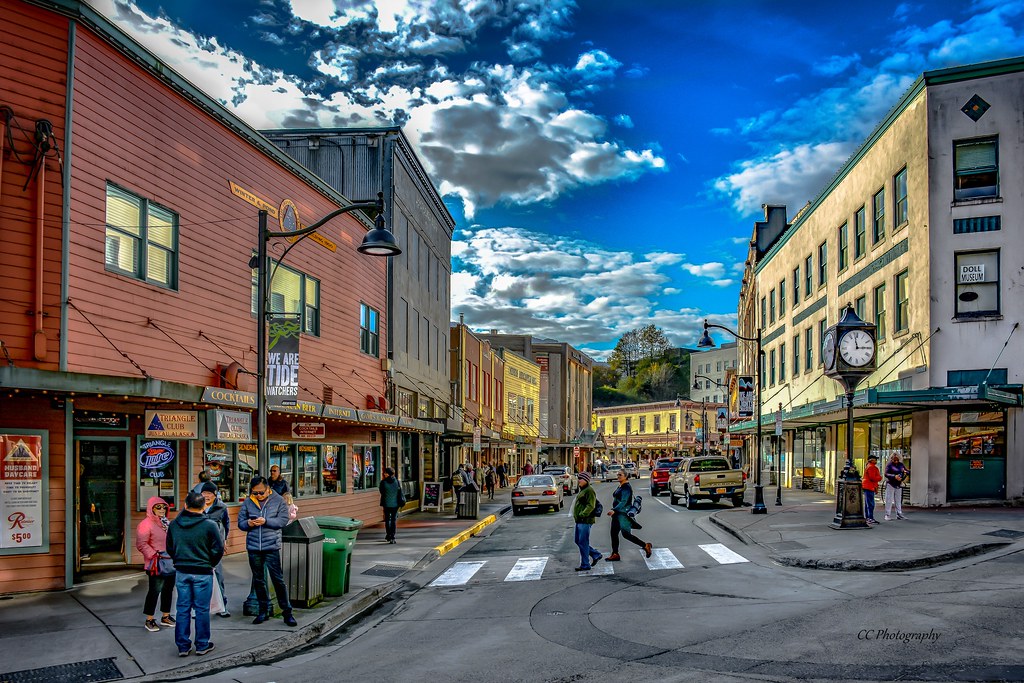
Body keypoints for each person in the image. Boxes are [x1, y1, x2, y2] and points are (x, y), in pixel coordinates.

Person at [166, 492, 224, 657]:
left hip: (182, 570)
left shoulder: (174, 524)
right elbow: (217, 549)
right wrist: (209, 563)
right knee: (201, 609)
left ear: (185, 505)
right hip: (202, 571)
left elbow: (170, 547)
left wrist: (179, 560)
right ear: (204, 506)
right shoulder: (210, 525)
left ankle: (183, 646)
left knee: (182, 609)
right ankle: (202, 644)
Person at [238, 476, 296, 627]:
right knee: (258, 580)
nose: (258, 495)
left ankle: (287, 612)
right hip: (253, 546)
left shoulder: (278, 500)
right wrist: (249, 523)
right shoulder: (248, 501)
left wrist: (266, 521)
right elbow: (240, 523)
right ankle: (262, 611)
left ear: (268, 489)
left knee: (278, 580)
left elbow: (283, 520)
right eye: (255, 493)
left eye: (261, 493)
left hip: (271, 545)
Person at [136, 496, 175, 632]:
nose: (162, 509)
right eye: (158, 507)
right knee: (155, 590)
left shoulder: (166, 523)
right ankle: (149, 619)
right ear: (151, 508)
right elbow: (141, 544)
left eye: (164, 507)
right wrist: (154, 555)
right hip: (156, 563)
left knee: (168, 590)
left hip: (169, 561)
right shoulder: (145, 524)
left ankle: (166, 616)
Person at [200, 482, 231, 617]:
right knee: (200, 577)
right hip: (200, 546)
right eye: (204, 493)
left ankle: (222, 606)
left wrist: (224, 541)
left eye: (209, 493)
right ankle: (200, 607)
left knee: (218, 575)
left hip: (215, 546)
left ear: (215, 494)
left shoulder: (222, 507)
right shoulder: (197, 506)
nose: (206, 496)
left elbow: (226, 525)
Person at [606, 469, 652, 561]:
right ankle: (615, 554)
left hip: (623, 515)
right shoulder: (620, 486)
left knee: (626, 534)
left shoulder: (626, 487)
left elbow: (624, 501)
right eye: (618, 474)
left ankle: (645, 545)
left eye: (620, 475)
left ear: (626, 476)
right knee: (613, 533)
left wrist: (614, 510)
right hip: (617, 514)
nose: (618, 476)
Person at [572, 471, 602, 571]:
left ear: (586, 480)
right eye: (579, 478)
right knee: (578, 541)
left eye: (581, 479)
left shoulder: (589, 491)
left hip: (585, 520)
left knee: (583, 542)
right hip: (579, 521)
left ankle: (585, 564)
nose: (579, 480)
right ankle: (595, 554)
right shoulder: (583, 490)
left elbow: (591, 505)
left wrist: (582, 514)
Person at [379, 467, 405, 544]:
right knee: (393, 520)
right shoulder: (397, 481)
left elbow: (382, 492)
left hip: (386, 504)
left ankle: (388, 535)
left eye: (386, 473)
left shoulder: (383, 482)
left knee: (387, 520)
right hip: (395, 504)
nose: (384, 474)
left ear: (388, 474)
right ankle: (392, 537)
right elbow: (399, 492)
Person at [884, 452, 910, 521]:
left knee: (898, 500)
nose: (896, 461)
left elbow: (907, 471)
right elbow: (886, 474)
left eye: (897, 459)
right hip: (891, 483)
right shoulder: (889, 465)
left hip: (898, 484)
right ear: (891, 459)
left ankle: (899, 513)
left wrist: (905, 472)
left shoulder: (901, 465)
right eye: (894, 459)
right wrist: (894, 476)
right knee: (889, 499)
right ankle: (887, 514)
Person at [862, 455, 882, 525]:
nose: (876, 461)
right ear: (871, 460)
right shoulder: (872, 467)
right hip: (869, 486)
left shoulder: (868, 466)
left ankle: (868, 517)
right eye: (875, 459)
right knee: (871, 503)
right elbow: (872, 478)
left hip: (867, 486)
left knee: (868, 502)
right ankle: (870, 518)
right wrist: (880, 478)